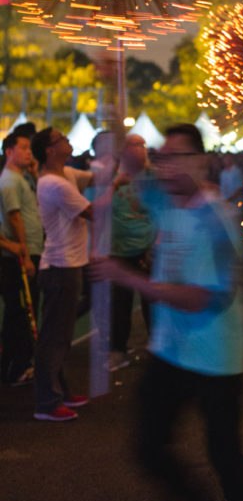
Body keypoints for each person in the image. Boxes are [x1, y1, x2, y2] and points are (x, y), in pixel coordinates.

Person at [90, 123, 243, 501]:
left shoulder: (218, 219)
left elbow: (202, 298)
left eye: (175, 158)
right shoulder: (164, 197)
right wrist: (117, 112)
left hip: (216, 357)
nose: (164, 167)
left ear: (202, 161)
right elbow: (130, 163)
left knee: (225, 455)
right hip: (169, 350)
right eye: (161, 158)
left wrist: (127, 277)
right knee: (147, 444)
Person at [31, 128, 98, 421]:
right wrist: (119, 184)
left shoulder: (66, 175)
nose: (68, 141)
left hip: (68, 264)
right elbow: (95, 212)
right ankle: (46, 402)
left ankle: (60, 391)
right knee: (54, 336)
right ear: (49, 149)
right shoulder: (54, 185)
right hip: (60, 267)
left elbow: (94, 178)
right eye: (61, 139)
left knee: (61, 334)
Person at [107, 133, 154, 371]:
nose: (140, 149)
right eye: (134, 145)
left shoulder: (153, 177)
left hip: (147, 249)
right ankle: (118, 351)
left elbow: (161, 213)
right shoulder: (113, 177)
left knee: (153, 303)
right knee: (120, 304)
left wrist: (156, 243)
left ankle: (158, 350)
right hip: (120, 250)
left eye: (142, 144)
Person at [0, 131, 43, 386]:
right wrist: (25, 254)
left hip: (27, 252)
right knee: (20, 313)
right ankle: (15, 367)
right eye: (24, 148)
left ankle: (19, 365)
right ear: (9, 151)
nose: (29, 152)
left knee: (23, 311)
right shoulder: (9, 182)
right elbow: (15, 219)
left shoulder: (22, 178)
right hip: (16, 258)